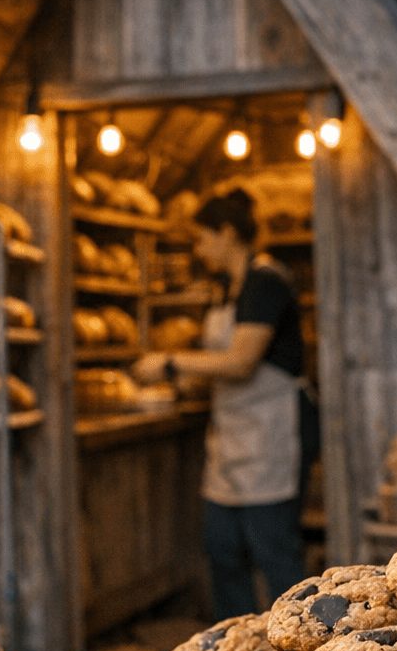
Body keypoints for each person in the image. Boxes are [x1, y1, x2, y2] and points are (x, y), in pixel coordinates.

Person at [132, 189, 316, 620]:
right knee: (223, 550)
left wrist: (170, 364)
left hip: (272, 435)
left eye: (203, 238)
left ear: (227, 233)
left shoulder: (266, 281)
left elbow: (241, 361)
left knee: (274, 552)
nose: (200, 250)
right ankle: (239, 647)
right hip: (233, 438)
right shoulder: (225, 290)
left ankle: (301, 648)